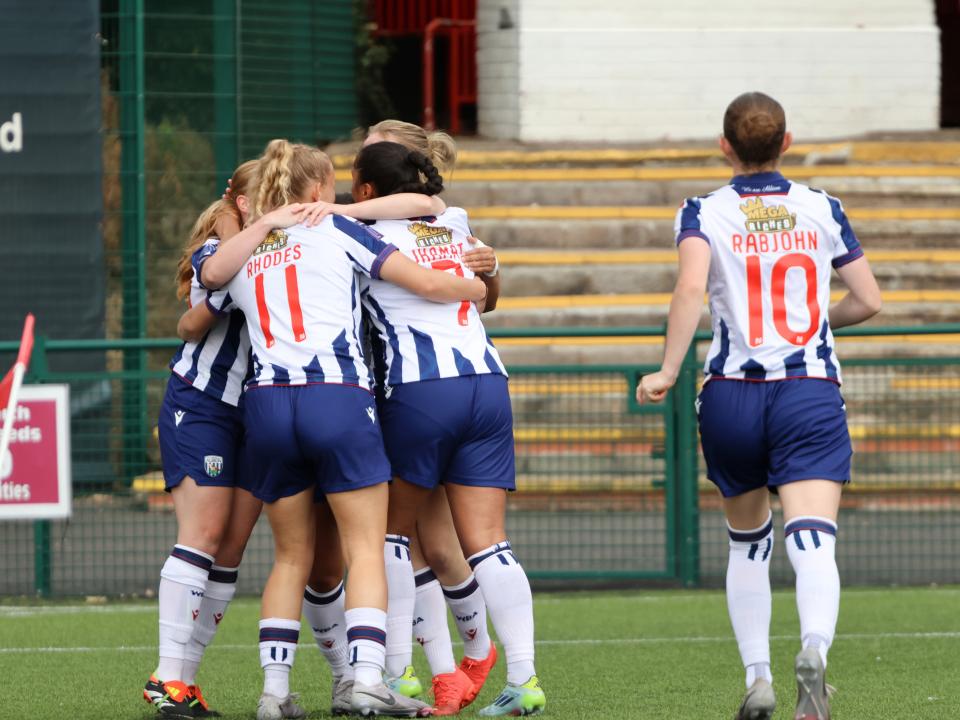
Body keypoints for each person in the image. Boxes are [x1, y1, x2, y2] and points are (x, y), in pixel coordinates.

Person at [196, 139, 487, 719]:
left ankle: (275, 695)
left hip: (269, 406)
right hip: (337, 399)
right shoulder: (339, 231)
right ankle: (367, 681)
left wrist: (259, 226)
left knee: (289, 557)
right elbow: (425, 282)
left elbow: (205, 287)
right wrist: (474, 286)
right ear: (319, 190)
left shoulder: (248, 246)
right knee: (366, 549)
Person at [637, 92, 881, 720]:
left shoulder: (702, 211)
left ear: (725, 145)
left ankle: (757, 677)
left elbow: (691, 286)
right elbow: (870, 301)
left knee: (747, 543)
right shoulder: (822, 207)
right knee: (813, 539)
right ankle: (815, 653)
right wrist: (813, 321)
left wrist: (667, 370)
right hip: (807, 392)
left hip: (730, 395)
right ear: (787, 141)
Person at [302, 119, 501, 713]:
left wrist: (487, 272)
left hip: (417, 385)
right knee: (408, 539)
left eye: (368, 155)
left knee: (424, 540)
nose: (357, 165)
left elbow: (486, 292)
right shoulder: (352, 220)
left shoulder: (433, 219)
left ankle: (445, 662)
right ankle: (421, 668)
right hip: (376, 388)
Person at [347, 141, 545, 717]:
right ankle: (525, 680)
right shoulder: (452, 220)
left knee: (386, 534)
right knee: (489, 542)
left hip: (421, 389)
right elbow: (486, 295)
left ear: (363, 191)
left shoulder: (360, 234)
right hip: (487, 382)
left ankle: (398, 673)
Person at [144, 159, 271, 719]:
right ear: (244, 202)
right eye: (271, 194)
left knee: (232, 549)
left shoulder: (289, 243)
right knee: (204, 533)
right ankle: (166, 675)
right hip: (203, 404)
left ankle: (185, 682)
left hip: (262, 410)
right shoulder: (218, 253)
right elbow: (191, 322)